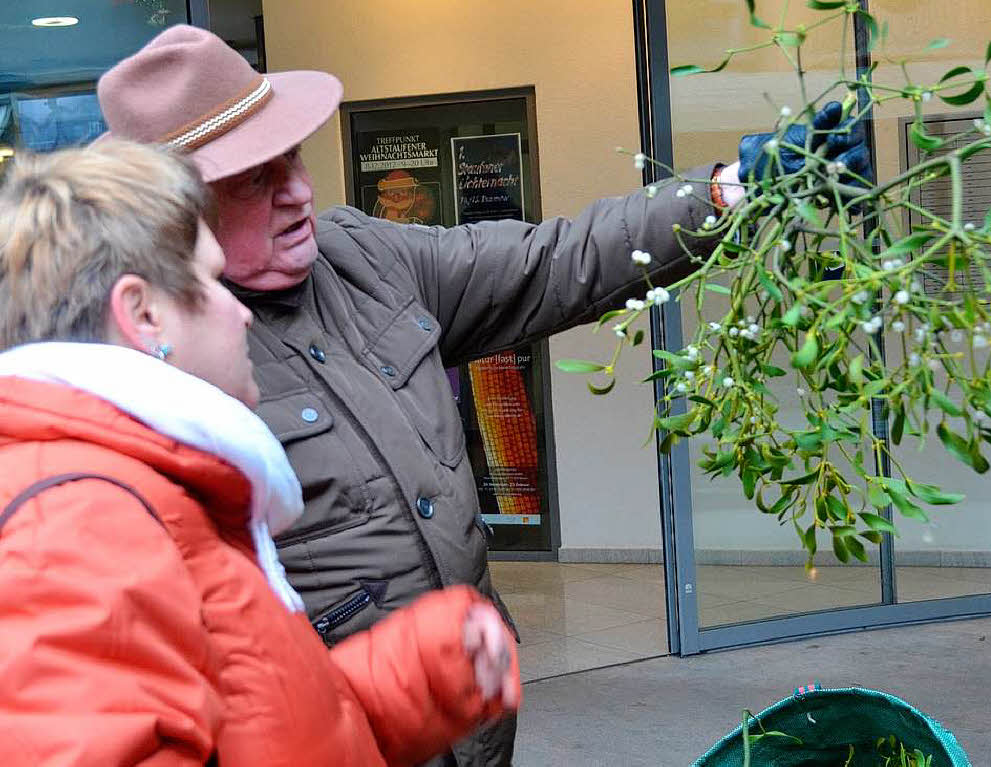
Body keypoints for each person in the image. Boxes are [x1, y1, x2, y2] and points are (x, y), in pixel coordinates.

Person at [95, 25, 869, 767]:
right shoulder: (149, 361)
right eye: (256, 178)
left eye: (292, 157)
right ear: (176, 208)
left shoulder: (364, 254)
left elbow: (554, 260)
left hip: (472, 727)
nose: (298, 191)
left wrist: (732, 193)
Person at [0, 140, 519, 766]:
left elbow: (262, 732)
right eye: (214, 282)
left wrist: (423, 669)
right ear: (144, 315)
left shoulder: (148, 492)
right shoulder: (72, 532)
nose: (241, 314)